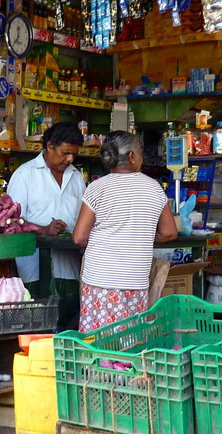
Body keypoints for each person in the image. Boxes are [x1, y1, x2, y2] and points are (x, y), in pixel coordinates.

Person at [72, 131, 178, 332]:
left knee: (96, 340)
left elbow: (79, 237)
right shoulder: (153, 188)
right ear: (131, 156)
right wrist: (139, 236)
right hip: (134, 279)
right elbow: (169, 233)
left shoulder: (97, 188)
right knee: (130, 340)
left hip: (98, 279)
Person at [7, 122, 86, 330]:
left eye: (74, 155)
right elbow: (11, 220)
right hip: (34, 271)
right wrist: (43, 230)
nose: (69, 159)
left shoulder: (76, 177)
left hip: (71, 270)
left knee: (69, 326)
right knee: (38, 328)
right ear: (50, 146)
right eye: (65, 153)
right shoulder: (25, 175)